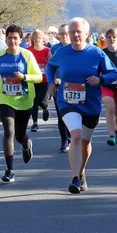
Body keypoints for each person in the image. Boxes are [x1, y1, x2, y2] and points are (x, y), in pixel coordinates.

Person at [46, 17, 117, 193]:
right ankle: (75, 178)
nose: (75, 35)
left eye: (79, 31)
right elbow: (50, 66)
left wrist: (100, 78)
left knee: (85, 141)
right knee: (76, 135)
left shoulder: (96, 53)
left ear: (87, 34)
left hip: (90, 104)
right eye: (72, 32)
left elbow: (113, 73)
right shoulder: (62, 52)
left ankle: (82, 171)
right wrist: (50, 82)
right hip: (67, 101)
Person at [0, 25, 43, 183]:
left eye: (15, 38)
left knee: (19, 134)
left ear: (20, 40)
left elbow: (38, 77)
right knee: (9, 132)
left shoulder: (27, 55)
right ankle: (10, 170)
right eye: (10, 37)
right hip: (4, 99)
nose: (12, 40)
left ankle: (26, 144)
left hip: (24, 100)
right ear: (5, 39)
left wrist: (24, 77)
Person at [50, 24, 72, 152]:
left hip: (75, 87)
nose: (64, 36)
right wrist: (52, 81)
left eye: (66, 33)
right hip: (59, 86)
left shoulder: (76, 47)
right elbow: (50, 66)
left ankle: (73, 137)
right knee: (61, 114)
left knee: (73, 113)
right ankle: (64, 140)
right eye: (62, 34)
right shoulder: (55, 49)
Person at [27, 29, 51, 132]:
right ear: (32, 39)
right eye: (35, 38)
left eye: (39, 38)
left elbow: (51, 64)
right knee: (34, 101)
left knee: (42, 102)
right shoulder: (28, 50)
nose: (37, 39)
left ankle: (45, 108)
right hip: (32, 80)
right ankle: (35, 123)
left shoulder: (47, 50)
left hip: (44, 80)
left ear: (43, 39)